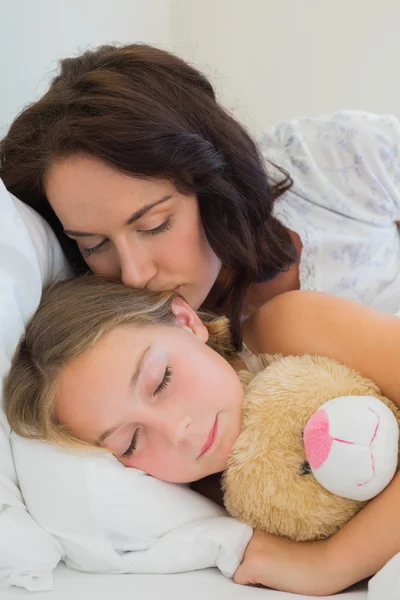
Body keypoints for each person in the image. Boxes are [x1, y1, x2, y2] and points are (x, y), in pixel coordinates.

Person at [5, 275, 400, 595]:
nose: (177, 431)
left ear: (187, 322)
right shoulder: (214, 503)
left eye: (163, 381)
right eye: (131, 443)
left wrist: (330, 563)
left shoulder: (289, 326)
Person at [1, 44, 400, 351]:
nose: (134, 275)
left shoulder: (328, 159)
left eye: (155, 225)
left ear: (216, 184)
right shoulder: (147, 347)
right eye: (94, 244)